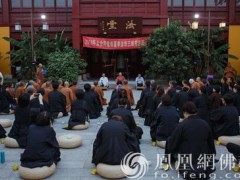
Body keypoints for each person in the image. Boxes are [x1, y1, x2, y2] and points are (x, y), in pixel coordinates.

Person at [165, 101, 216, 179]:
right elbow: (211, 146)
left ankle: (168, 161)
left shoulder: (182, 125)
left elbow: (172, 146)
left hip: (188, 166)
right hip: (204, 166)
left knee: (170, 140)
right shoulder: (205, 124)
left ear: (185, 113)